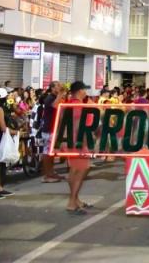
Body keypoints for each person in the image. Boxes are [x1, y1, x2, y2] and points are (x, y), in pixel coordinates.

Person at [66, 81, 92, 214]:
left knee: (75, 170)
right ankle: (72, 202)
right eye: (84, 89)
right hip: (78, 142)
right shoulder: (78, 106)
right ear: (79, 91)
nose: (85, 92)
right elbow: (80, 126)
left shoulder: (69, 104)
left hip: (71, 141)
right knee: (81, 169)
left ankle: (75, 199)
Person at [40, 81, 67, 183]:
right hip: (48, 129)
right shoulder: (49, 98)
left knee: (52, 153)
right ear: (52, 88)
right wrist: (60, 94)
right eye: (58, 86)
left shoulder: (56, 98)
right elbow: (55, 106)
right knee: (47, 153)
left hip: (54, 129)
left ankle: (51, 173)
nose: (60, 87)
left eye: (60, 85)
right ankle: (47, 176)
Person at [0, 88, 13, 198]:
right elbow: (3, 127)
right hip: (0, 138)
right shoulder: (0, 109)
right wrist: (15, 132)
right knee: (1, 164)